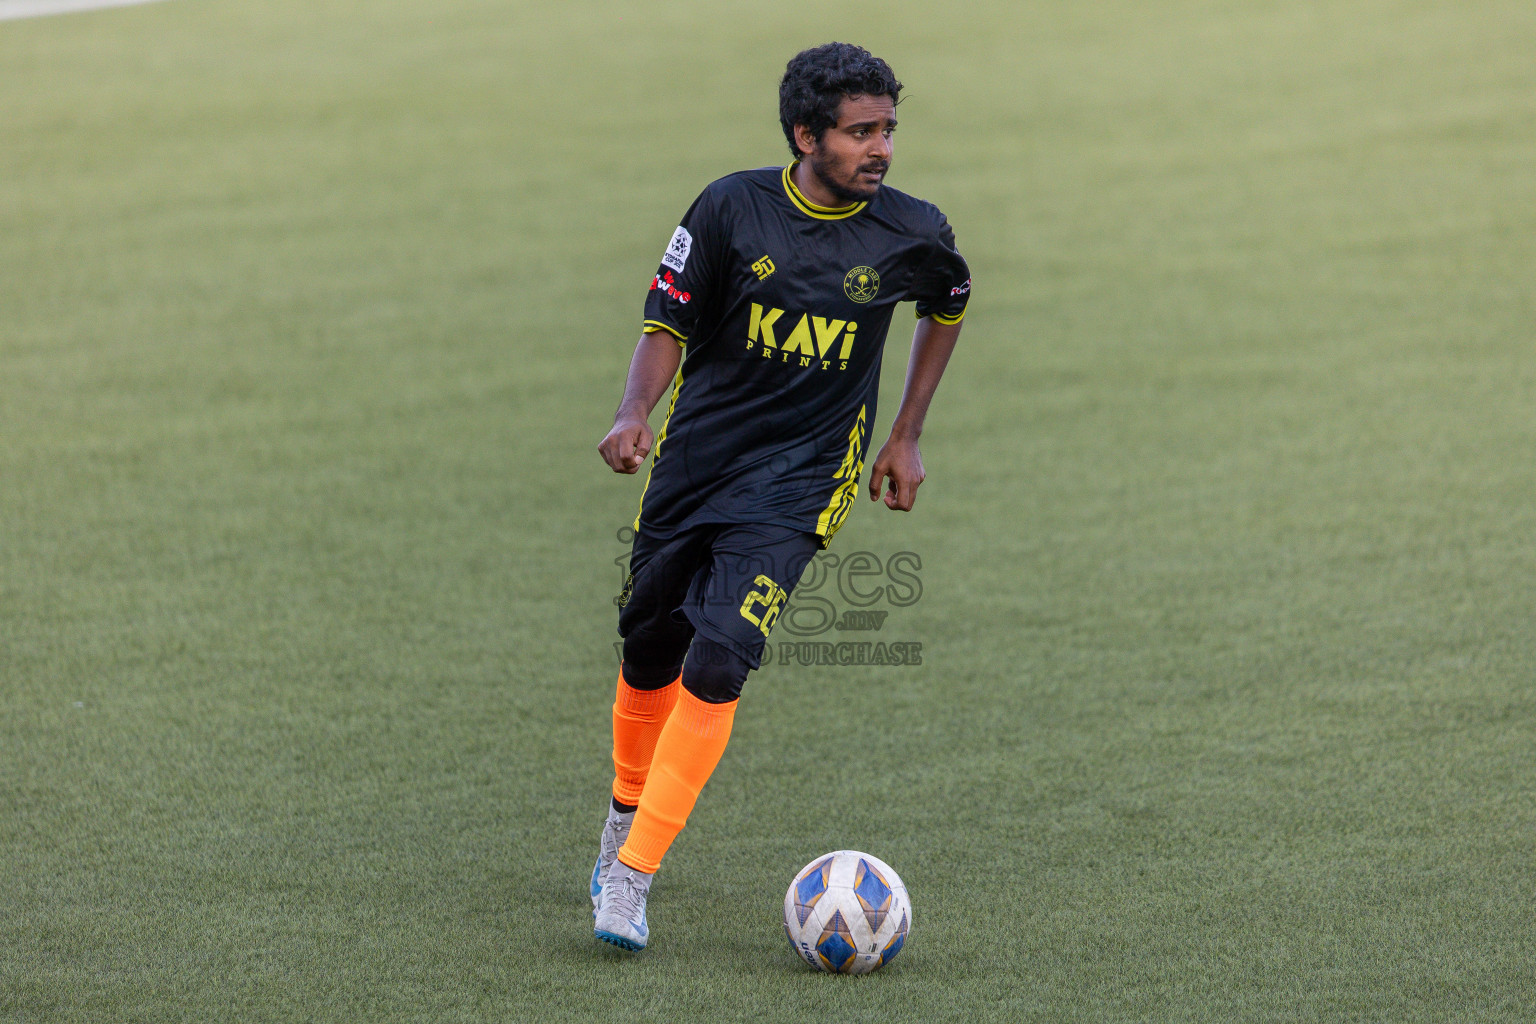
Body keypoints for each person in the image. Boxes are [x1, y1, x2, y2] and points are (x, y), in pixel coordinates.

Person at [590, 41, 970, 951]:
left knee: (719, 660)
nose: (879, 149)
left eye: (887, 130)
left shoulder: (912, 231)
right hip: (697, 464)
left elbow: (949, 302)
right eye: (858, 132)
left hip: (804, 481)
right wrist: (634, 411)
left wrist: (907, 433)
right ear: (806, 135)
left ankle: (632, 877)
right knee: (651, 648)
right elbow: (667, 318)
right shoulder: (730, 207)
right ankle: (621, 819)